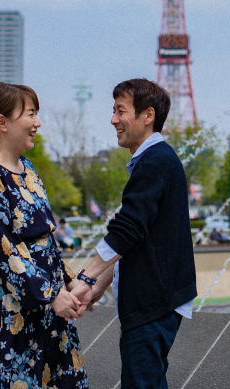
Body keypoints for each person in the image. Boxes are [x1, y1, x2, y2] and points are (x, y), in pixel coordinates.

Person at [70, 79, 197, 389]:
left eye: (120, 111)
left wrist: (86, 278)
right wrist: (101, 281)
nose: (113, 119)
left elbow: (128, 226)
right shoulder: (156, 160)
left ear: (148, 115)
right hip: (158, 302)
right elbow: (140, 234)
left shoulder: (154, 162)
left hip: (153, 304)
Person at [0, 82, 88, 389]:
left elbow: (45, 238)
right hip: (8, 306)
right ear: (1, 123)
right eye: (30, 114)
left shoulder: (27, 169)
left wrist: (69, 282)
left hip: (45, 300)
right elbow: (5, 248)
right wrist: (51, 293)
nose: (37, 123)